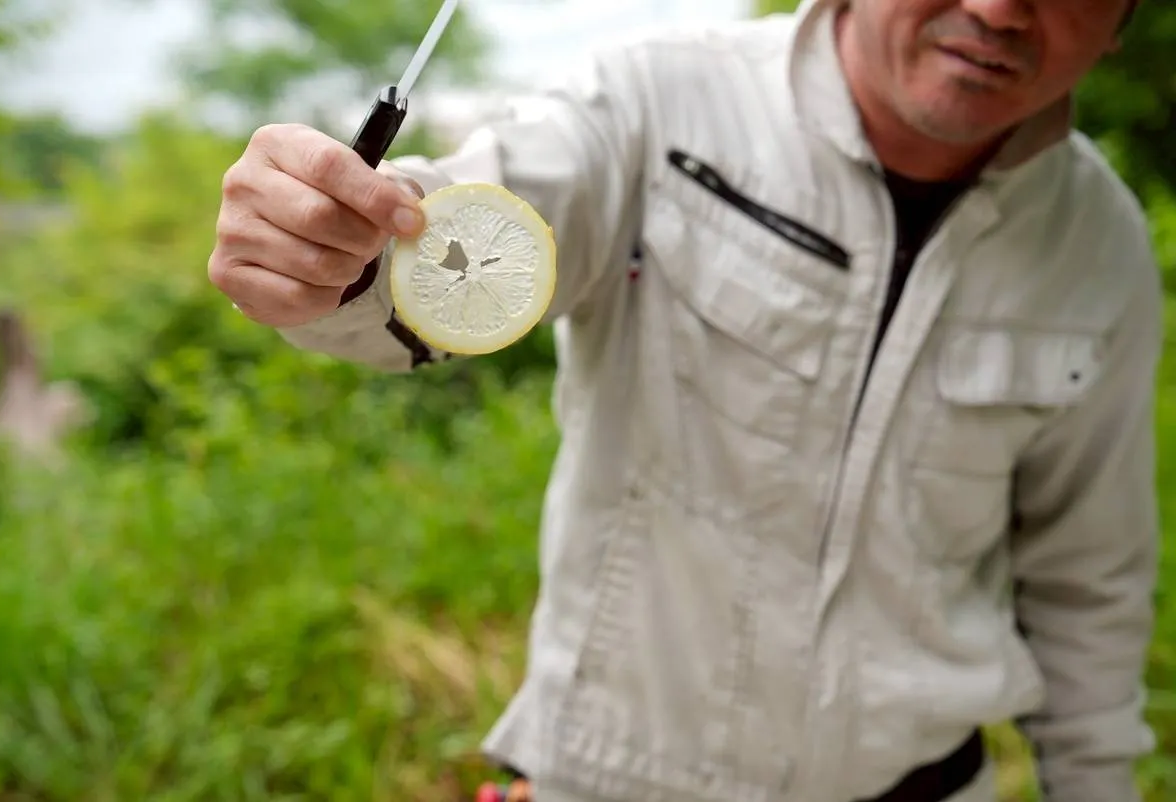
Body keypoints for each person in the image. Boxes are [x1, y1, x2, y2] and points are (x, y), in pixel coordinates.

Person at [207, 0, 1161, 800]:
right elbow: (442, 236)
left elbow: (1089, 579)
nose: (998, 9)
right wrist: (331, 254)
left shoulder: (1101, 246)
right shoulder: (653, 101)